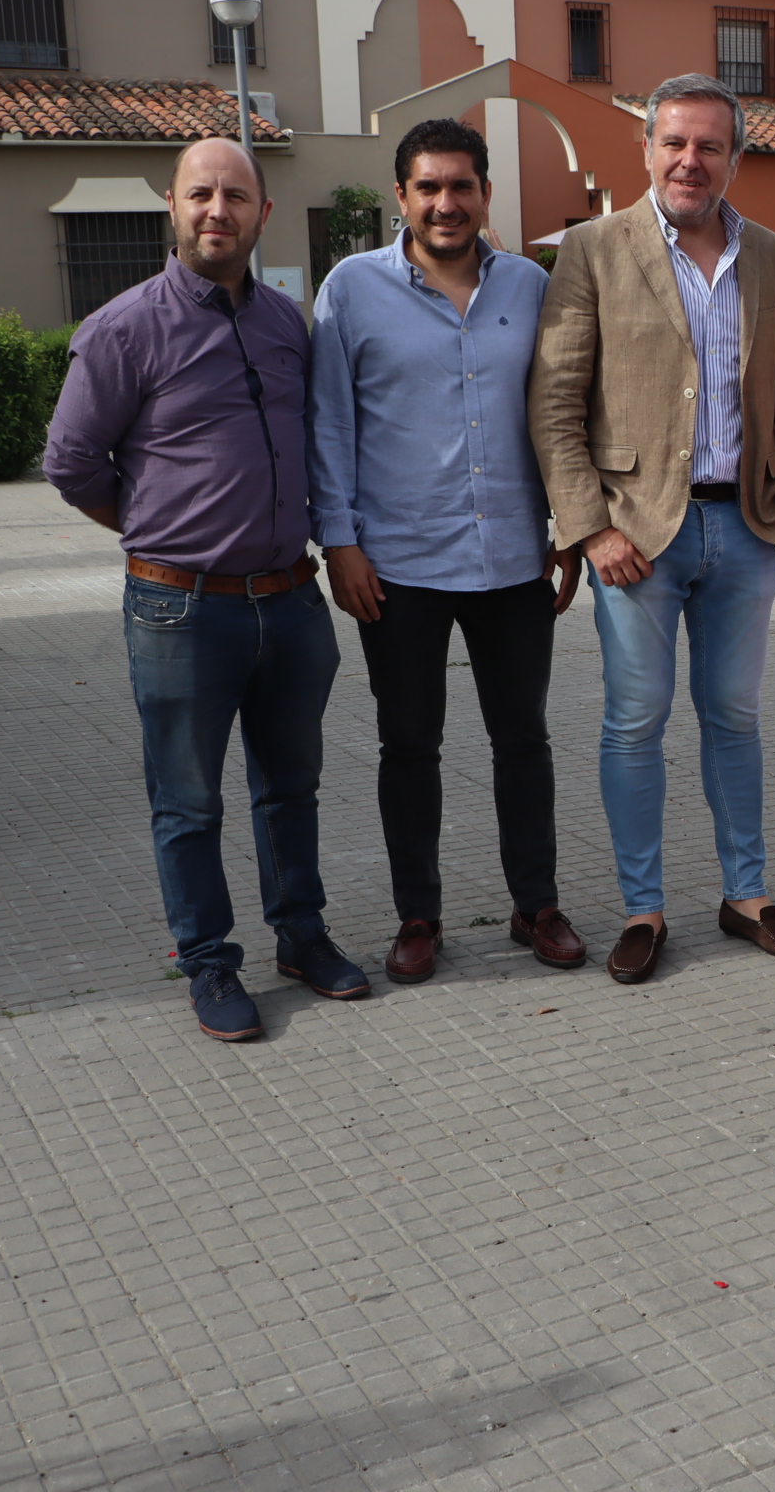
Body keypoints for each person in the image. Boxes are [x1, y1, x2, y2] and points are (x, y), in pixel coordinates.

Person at [44, 136, 366, 1043]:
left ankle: (302, 937)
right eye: (199, 195)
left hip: (290, 602)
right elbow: (71, 463)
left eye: (234, 196)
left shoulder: (286, 324)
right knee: (188, 802)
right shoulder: (124, 328)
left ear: (262, 212)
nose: (216, 211)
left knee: (291, 788)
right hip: (179, 608)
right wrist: (157, 532)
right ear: (174, 208)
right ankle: (209, 962)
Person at [528, 73, 775, 985]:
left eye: (709, 146)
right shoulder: (592, 249)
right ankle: (643, 909)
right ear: (646, 150)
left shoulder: (769, 254)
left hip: (742, 529)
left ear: (736, 157)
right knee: (633, 722)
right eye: (675, 144)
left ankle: (746, 895)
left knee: (734, 717)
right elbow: (555, 402)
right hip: (635, 541)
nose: (691, 161)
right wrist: (587, 529)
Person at [307, 118, 586, 986]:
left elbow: (563, 410)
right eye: (428, 187)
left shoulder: (530, 287)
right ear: (401, 197)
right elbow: (329, 423)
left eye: (461, 186)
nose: (445, 203)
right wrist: (340, 542)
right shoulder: (352, 289)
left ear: (485, 194)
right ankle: (418, 915)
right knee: (408, 746)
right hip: (397, 566)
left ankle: (534, 903)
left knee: (524, 740)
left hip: (512, 557)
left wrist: (570, 527)